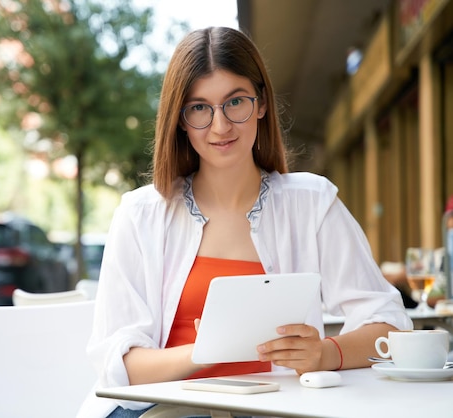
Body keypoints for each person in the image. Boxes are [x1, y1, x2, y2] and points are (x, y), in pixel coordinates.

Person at [78, 27, 412, 418]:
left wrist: (326, 353)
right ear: (180, 120)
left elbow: (389, 326)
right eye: (200, 108)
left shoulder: (312, 203)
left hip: (280, 408)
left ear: (261, 104)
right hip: (167, 408)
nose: (220, 126)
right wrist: (206, 348)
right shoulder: (141, 215)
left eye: (234, 102)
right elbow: (120, 367)